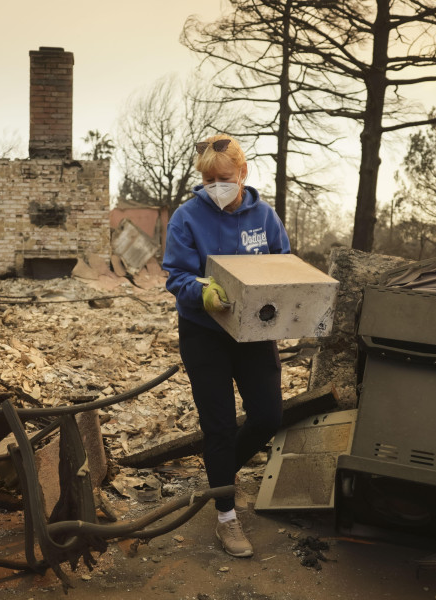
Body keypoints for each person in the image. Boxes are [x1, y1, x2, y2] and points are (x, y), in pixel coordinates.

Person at [162, 134, 291, 557]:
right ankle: (226, 517)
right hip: (205, 335)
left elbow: (283, 263)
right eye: (210, 179)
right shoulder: (186, 217)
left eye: (225, 178)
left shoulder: (265, 217)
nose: (217, 186)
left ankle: (218, 472)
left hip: (253, 334)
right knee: (217, 427)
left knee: (268, 416)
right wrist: (201, 291)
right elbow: (175, 275)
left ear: (243, 174)